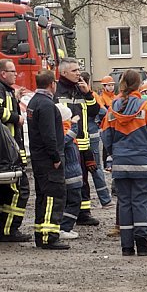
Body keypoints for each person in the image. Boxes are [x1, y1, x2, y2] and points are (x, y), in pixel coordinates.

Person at [102, 70, 147, 256]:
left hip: (121, 164)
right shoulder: (145, 107)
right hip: (144, 164)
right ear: (138, 85)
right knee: (141, 203)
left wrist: (115, 153)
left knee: (125, 203)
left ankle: (126, 246)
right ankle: (142, 244)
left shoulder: (113, 108)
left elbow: (105, 136)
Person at [0, 59, 30, 242]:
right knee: (19, 190)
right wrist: (16, 117)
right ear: (3, 73)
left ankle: (3, 231)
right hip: (4, 152)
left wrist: (13, 98)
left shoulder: (0, 88)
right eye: (13, 71)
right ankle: (10, 230)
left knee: (4, 194)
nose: (15, 74)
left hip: (3, 151)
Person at [26, 70, 69, 250]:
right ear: (52, 84)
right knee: (54, 196)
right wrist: (56, 157)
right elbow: (49, 135)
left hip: (38, 158)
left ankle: (41, 234)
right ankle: (49, 237)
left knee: (43, 197)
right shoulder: (46, 105)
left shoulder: (34, 102)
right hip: (49, 159)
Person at [56, 59, 101, 226]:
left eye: (78, 70)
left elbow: (95, 111)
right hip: (66, 143)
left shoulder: (80, 89)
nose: (78, 73)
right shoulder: (57, 91)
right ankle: (66, 214)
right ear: (64, 73)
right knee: (66, 181)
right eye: (74, 70)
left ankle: (84, 213)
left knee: (83, 181)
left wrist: (88, 94)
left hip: (82, 142)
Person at [81, 72, 112, 208]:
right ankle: (105, 199)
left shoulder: (74, 95)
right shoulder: (92, 95)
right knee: (96, 167)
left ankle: (82, 202)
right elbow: (103, 112)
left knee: (80, 169)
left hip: (79, 135)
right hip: (92, 133)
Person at [57, 103, 83, 240]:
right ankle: (64, 227)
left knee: (71, 201)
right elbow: (66, 139)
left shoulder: (61, 129)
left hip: (72, 173)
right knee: (74, 202)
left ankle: (66, 227)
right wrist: (74, 125)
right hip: (70, 175)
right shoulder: (63, 130)